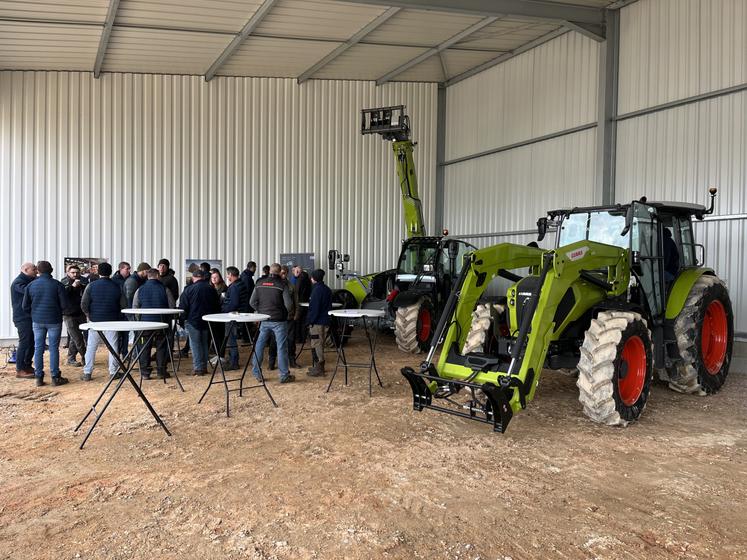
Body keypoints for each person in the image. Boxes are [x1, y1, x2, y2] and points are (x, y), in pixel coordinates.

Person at [22, 261, 69, 387]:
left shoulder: (31, 285)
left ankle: (39, 377)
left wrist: (34, 313)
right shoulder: (58, 285)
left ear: (38, 270)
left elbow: (25, 306)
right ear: (51, 270)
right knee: (53, 349)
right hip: (54, 320)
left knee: (38, 348)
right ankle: (55, 377)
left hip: (37, 320)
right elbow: (64, 305)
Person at [80, 262, 128, 381]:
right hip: (112, 321)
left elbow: (84, 304)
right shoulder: (117, 286)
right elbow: (124, 305)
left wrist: (89, 315)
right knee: (113, 347)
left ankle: (87, 372)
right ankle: (113, 372)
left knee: (91, 347)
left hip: (95, 321)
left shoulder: (91, 286)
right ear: (111, 272)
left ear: (98, 272)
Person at [250, 263, 294, 383]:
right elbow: (289, 305)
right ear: (280, 272)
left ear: (269, 271)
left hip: (264, 319)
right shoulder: (282, 284)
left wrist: (260, 311)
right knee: (281, 347)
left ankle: (257, 373)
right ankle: (284, 375)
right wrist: (283, 311)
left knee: (259, 345)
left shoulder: (259, 283)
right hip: (279, 320)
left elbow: (252, 302)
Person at [133, 269, 176, 380]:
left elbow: (135, 308)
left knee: (144, 347)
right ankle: (161, 371)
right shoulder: (165, 289)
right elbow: (172, 307)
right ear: (157, 276)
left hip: (145, 325)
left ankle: (145, 372)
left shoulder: (140, 290)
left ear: (147, 276)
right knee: (161, 347)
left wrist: (139, 321)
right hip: (161, 324)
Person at [179, 269, 220, 375]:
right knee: (204, 344)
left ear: (193, 278)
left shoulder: (188, 290)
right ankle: (204, 366)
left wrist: (182, 320)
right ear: (203, 277)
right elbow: (217, 305)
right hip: (207, 320)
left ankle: (198, 368)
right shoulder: (211, 289)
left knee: (195, 344)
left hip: (193, 321)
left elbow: (183, 307)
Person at [10, 262, 38, 379]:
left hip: (29, 317)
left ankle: (27, 365)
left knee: (31, 342)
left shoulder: (28, 280)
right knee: (25, 342)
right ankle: (20, 369)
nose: (36, 271)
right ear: (26, 270)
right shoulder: (18, 283)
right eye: (34, 269)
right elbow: (29, 291)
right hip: (22, 318)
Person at [269, 266, 298, 369]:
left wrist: (296, 314)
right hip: (277, 317)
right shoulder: (273, 285)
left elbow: (295, 301)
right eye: (281, 273)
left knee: (291, 339)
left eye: (284, 273)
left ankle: (292, 361)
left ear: (287, 274)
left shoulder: (291, 286)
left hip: (289, 317)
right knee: (274, 340)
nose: (282, 275)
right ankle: (271, 362)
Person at [222, 266, 251, 370]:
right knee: (231, 339)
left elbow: (233, 304)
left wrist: (223, 309)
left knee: (231, 341)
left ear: (230, 274)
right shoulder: (240, 284)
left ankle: (233, 363)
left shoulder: (234, 287)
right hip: (238, 315)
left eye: (228, 274)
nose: (227, 276)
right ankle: (232, 360)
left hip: (233, 316)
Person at [306, 269, 333, 377]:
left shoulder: (317, 290)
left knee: (317, 343)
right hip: (325, 320)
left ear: (314, 278)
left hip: (318, 322)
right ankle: (318, 366)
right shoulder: (327, 289)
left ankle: (320, 368)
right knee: (319, 342)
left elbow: (315, 308)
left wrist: (310, 321)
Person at [61, 264, 88, 367]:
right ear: (68, 273)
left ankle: (71, 358)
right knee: (78, 338)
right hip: (69, 314)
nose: (75, 274)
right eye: (73, 273)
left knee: (74, 337)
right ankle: (85, 357)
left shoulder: (84, 280)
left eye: (77, 272)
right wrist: (72, 287)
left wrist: (82, 286)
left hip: (81, 313)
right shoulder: (63, 282)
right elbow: (63, 296)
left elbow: (87, 293)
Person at [289, 265, 312, 365]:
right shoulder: (307, 278)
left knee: (297, 321)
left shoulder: (299, 279)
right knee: (303, 322)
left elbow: (296, 292)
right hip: (306, 303)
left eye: (295, 270)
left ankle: (298, 338)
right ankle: (302, 338)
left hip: (299, 304)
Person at [112, 261, 132, 357]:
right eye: (127, 269)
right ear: (120, 269)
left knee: (125, 334)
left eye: (129, 268)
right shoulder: (114, 280)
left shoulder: (131, 279)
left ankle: (125, 353)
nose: (129, 270)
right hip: (117, 311)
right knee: (118, 334)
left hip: (127, 310)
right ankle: (117, 353)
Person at [209, 268, 228, 363]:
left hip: (221, 315)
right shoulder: (210, 288)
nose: (214, 279)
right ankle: (217, 355)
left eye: (216, 277)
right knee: (215, 336)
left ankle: (221, 355)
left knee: (220, 336)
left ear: (220, 278)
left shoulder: (224, 288)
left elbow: (222, 303)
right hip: (213, 315)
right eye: (212, 277)